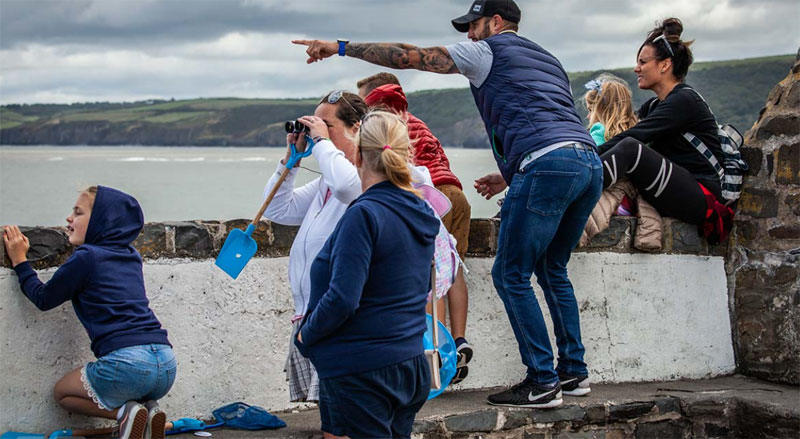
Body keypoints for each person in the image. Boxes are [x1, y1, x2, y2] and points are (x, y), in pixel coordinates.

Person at [293, 0, 602, 408]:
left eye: (472, 26)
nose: (468, 36)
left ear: (494, 22)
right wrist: (511, 175)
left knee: (510, 273)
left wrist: (339, 47)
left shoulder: (488, 49)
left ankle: (542, 380)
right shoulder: (547, 58)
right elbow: (550, 120)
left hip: (546, 164)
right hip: (586, 163)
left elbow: (412, 57)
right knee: (552, 267)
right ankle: (574, 373)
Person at [294, 110, 439, 438]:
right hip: (409, 362)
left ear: (357, 155)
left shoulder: (364, 215)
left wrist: (306, 336)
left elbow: (343, 297)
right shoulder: (419, 211)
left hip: (361, 370)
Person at [3, 186, 176, 439]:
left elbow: (43, 298)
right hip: (166, 362)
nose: (68, 219)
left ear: (100, 221)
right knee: (136, 382)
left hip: (128, 364)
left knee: (63, 392)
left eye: (77, 213)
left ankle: (125, 414)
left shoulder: (86, 256)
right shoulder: (131, 255)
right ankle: (149, 411)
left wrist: (20, 261)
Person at [357, 72, 474, 384]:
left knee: (431, 276)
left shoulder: (388, 129)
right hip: (456, 196)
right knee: (453, 269)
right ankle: (460, 340)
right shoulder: (415, 119)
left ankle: (437, 351)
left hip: (431, 197)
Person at [261, 90, 367, 404]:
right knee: (318, 413)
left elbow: (349, 187)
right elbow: (277, 210)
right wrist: (290, 161)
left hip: (340, 319)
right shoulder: (325, 183)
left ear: (356, 127)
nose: (317, 131)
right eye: (314, 126)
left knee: (339, 412)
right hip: (309, 315)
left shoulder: (367, 175)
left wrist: (321, 144)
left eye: (326, 125)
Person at [596, 18, 726, 226]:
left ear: (665, 65)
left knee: (631, 148)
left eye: (643, 62)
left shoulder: (684, 100)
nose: (636, 69)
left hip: (703, 196)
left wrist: (589, 157)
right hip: (676, 188)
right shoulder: (653, 106)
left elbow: (633, 137)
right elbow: (622, 132)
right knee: (627, 147)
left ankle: (573, 184)